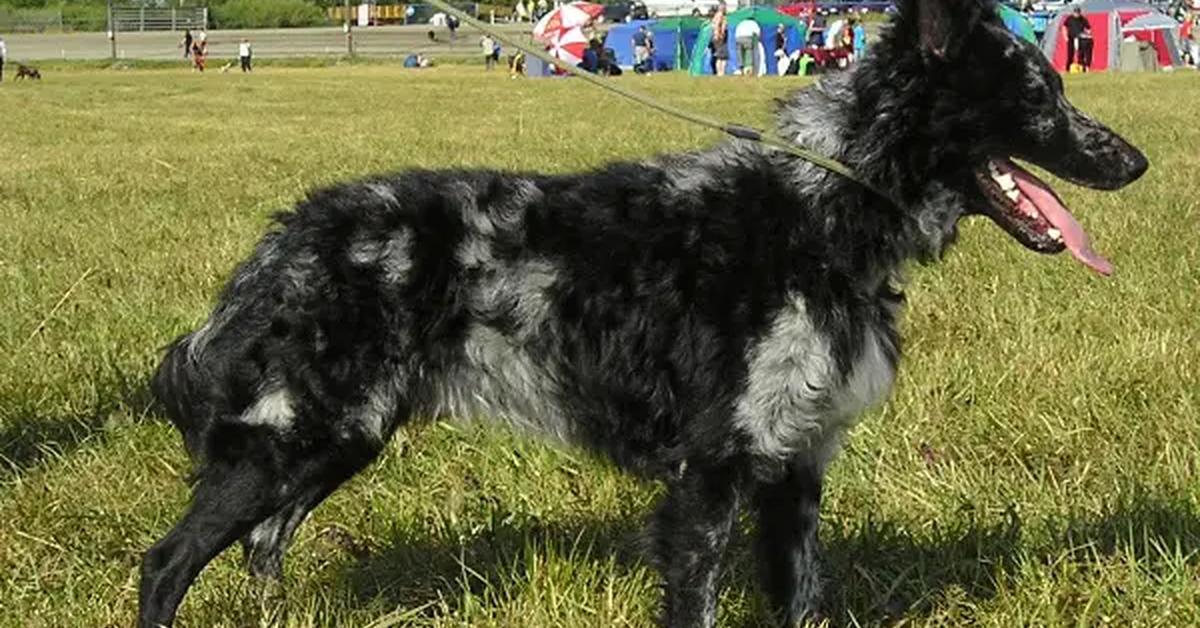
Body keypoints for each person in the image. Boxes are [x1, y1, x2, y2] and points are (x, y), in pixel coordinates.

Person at [710, 4, 729, 76]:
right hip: (720, 38)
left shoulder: (715, 16)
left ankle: (719, 73)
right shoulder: (720, 15)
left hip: (716, 38)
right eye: (725, 8)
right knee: (723, 57)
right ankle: (721, 73)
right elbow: (718, 25)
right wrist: (720, 35)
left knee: (719, 56)